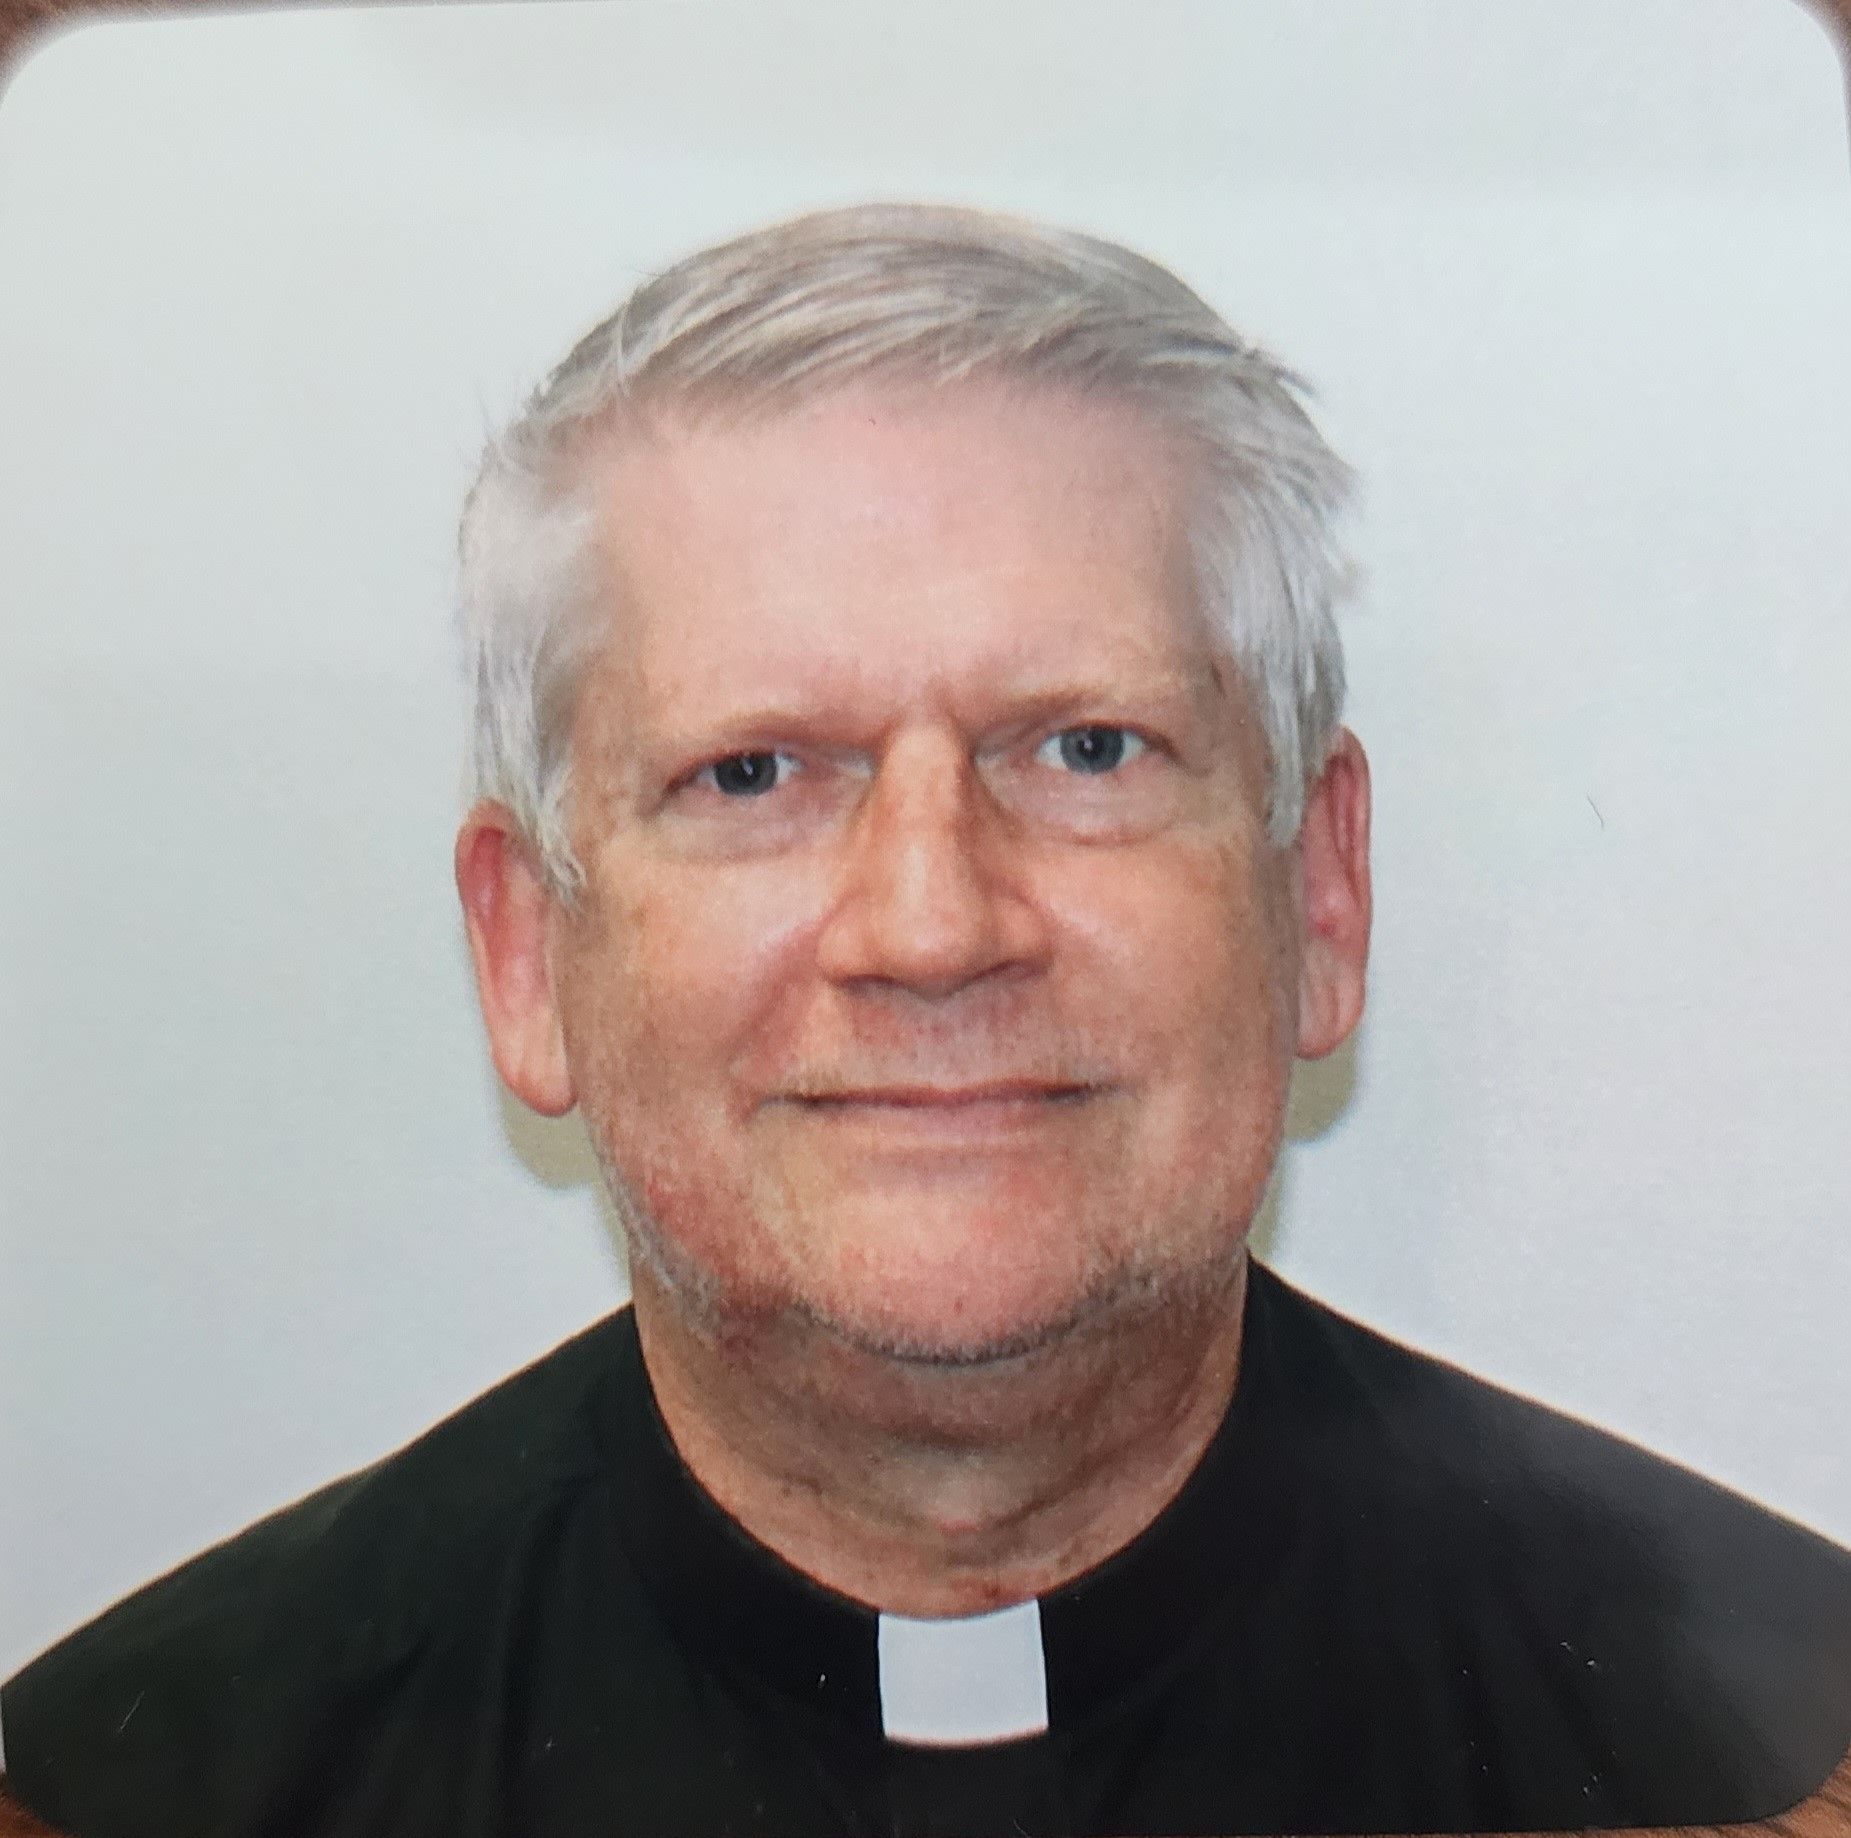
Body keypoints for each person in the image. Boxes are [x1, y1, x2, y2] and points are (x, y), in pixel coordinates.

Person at [2, 203, 1847, 1838]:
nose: (933, 924)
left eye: (1086, 747)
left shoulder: (1782, 1740)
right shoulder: (134, 1781)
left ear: (1318, 894)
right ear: (526, 953)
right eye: (753, 774)